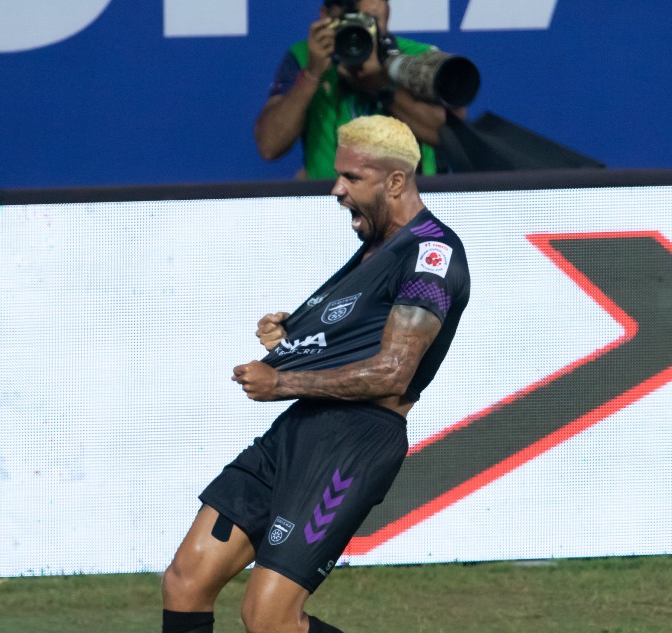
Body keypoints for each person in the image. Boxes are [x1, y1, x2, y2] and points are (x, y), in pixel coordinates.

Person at [161, 115, 471, 633]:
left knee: (269, 619)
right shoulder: (377, 251)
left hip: (352, 443)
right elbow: (355, 333)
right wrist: (292, 342)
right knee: (185, 580)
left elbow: (393, 372)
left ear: (396, 181)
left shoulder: (430, 255)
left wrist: (281, 382)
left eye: (352, 178)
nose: (337, 190)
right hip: (300, 430)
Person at [254, 0, 456, 178]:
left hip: (406, 201)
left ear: (386, 11)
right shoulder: (306, 57)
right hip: (329, 201)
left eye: (369, 21)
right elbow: (269, 146)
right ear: (325, 16)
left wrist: (379, 84)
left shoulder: (416, 58)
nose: (358, 33)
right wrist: (312, 74)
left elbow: (450, 136)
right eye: (348, 21)